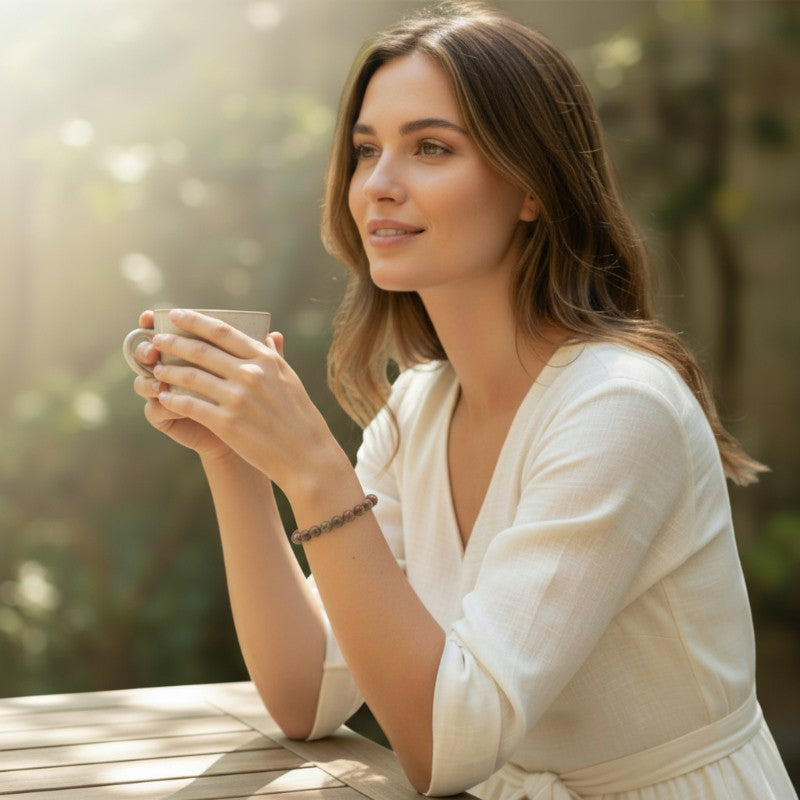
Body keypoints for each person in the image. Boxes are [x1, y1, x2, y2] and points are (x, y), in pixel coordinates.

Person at [131, 2, 797, 797]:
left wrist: (313, 467)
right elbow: (306, 693)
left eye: (431, 148)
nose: (378, 185)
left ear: (532, 188)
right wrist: (235, 456)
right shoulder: (418, 409)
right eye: (366, 150)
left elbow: (444, 746)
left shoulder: (620, 407)